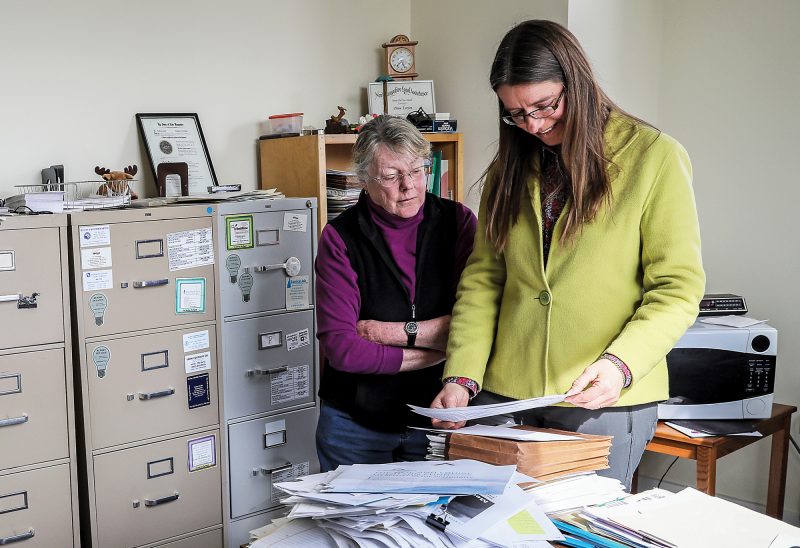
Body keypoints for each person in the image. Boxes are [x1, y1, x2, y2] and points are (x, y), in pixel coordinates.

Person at [430, 20, 705, 490]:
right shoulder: (508, 168)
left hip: (602, 396)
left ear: (576, 82)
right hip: (503, 394)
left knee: (578, 531)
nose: (534, 125)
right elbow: (483, 281)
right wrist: (461, 377)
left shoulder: (654, 156)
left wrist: (620, 364)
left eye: (545, 106)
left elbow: (677, 290)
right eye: (516, 114)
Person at [315, 115, 477, 472]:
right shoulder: (340, 238)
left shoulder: (458, 222)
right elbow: (343, 350)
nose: (409, 186)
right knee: (352, 528)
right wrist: (439, 351)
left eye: (418, 171)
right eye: (391, 177)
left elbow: (475, 323)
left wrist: (385, 333)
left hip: (437, 417)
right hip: (354, 425)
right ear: (364, 180)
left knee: (433, 525)